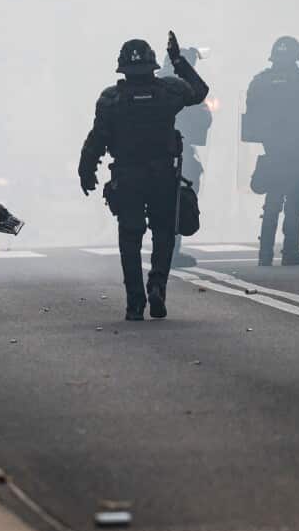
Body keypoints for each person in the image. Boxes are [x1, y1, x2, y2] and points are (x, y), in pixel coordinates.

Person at [79, 32, 209, 320]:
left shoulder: (111, 99)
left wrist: (86, 170)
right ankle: (158, 285)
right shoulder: (169, 91)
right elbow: (200, 91)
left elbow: (97, 138)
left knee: (130, 236)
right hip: (162, 174)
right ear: (152, 66)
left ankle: (135, 302)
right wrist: (178, 61)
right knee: (163, 233)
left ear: (122, 69)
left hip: (127, 178)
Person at [243, 36, 299, 267]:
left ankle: (265, 254)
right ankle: (290, 251)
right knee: (294, 199)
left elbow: (250, 116)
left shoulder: (259, 81)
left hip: (272, 148)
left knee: (273, 198)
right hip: (298, 147)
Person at [159, 47, 212, 269]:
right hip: (176, 150)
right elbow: (202, 119)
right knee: (179, 200)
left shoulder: (154, 81)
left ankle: (164, 250)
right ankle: (170, 251)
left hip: (150, 152)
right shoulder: (183, 86)